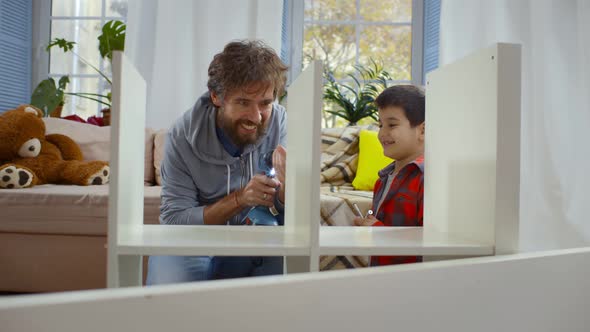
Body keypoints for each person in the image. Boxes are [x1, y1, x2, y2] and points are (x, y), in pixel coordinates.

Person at [147, 40, 288, 284]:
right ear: (216, 97)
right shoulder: (181, 137)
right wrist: (240, 199)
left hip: (253, 237)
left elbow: (287, 210)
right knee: (170, 288)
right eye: (243, 102)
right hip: (193, 239)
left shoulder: (279, 122)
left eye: (265, 103)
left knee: (283, 273)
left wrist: (286, 191)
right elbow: (174, 221)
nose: (256, 117)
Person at [353, 85, 425, 266]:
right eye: (380, 125)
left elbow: (427, 240)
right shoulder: (383, 178)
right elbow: (378, 217)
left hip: (407, 281)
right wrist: (368, 222)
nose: (382, 133)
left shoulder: (426, 177)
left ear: (422, 130)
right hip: (381, 275)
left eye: (391, 125)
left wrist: (377, 231)